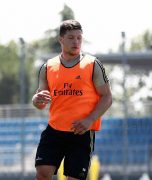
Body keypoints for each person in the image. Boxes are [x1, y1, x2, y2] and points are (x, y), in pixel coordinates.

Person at [31, 20, 113, 180]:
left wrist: (90, 119)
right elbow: (40, 101)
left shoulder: (93, 64)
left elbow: (107, 97)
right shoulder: (47, 67)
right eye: (71, 38)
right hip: (54, 130)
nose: (76, 42)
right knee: (42, 173)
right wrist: (36, 99)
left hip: (81, 132)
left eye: (79, 38)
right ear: (61, 39)